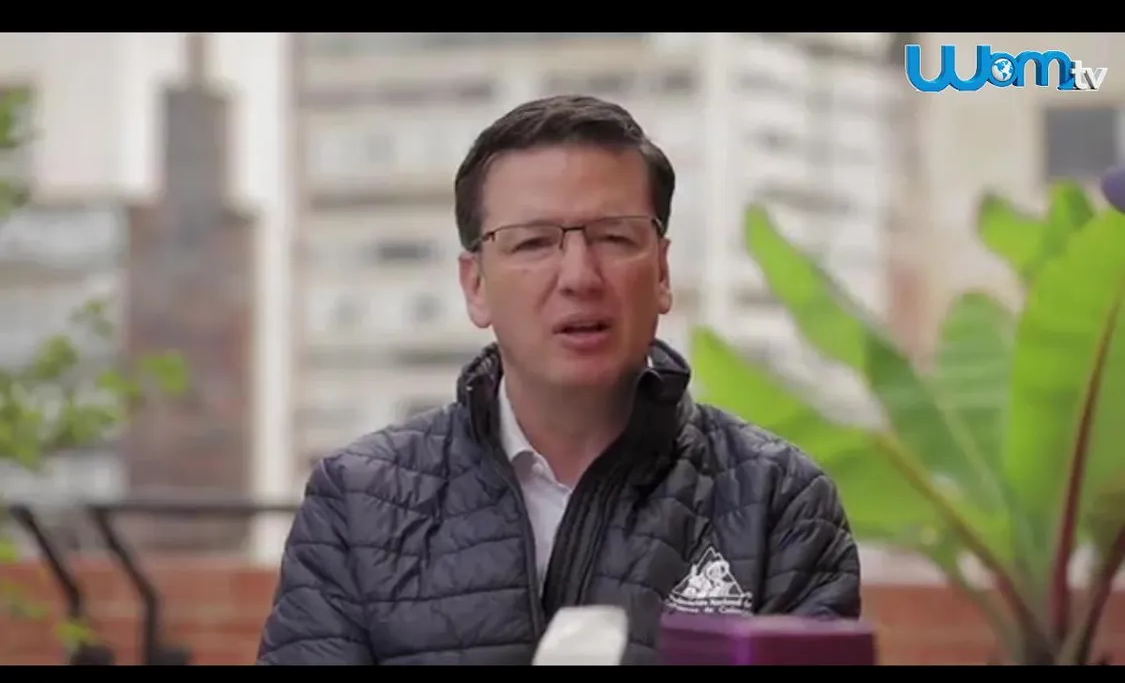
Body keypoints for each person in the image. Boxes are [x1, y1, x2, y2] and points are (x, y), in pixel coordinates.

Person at [257, 95, 861, 665]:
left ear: (661, 272)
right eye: (533, 243)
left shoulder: (777, 501)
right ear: (475, 284)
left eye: (614, 237)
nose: (579, 276)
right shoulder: (359, 503)